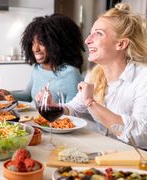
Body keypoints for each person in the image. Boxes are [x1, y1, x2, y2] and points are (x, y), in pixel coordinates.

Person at [38, 3, 147, 149]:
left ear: (121, 44)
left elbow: (142, 136)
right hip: (99, 152)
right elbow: (76, 108)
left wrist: (91, 103)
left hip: (134, 163)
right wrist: (55, 107)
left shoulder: (143, 78)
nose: (87, 40)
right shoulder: (94, 74)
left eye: (99, 33)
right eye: (90, 33)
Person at [0, 14, 84, 103]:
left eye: (41, 43)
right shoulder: (37, 68)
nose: (35, 49)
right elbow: (28, 95)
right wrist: (8, 95)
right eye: (33, 43)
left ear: (58, 44)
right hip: (31, 117)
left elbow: (73, 112)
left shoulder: (71, 74)